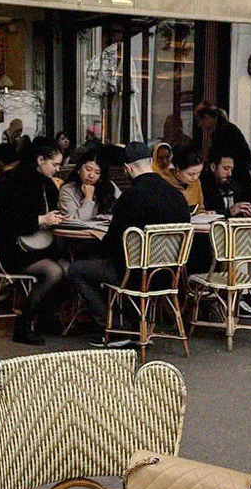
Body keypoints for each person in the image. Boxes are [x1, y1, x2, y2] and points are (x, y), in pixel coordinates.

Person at [67, 140, 191, 344]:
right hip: (168, 275)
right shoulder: (177, 196)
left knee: (76, 270)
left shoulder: (130, 197)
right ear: (151, 162)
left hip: (133, 275)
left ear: (127, 169)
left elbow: (111, 245)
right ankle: (135, 326)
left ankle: (112, 327)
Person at [0, 136, 68, 346]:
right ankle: (23, 325)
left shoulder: (46, 183)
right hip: (13, 248)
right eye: (54, 164)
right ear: (40, 159)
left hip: (36, 246)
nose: (57, 170)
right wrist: (42, 220)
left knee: (68, 267)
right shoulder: (15, 181)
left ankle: (46, 316)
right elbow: (9, 222)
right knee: (54, 272)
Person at [192, 103, 251, 194]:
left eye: (200, 121)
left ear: (208, 117)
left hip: (237, 179)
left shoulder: (224, 132)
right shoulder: (225, 130)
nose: (200, 125)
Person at [58, 149, 119, 220]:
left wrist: (105, 217)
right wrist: (88, 198)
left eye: (97, 173)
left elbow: (122, 212)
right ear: (79, 169)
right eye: (88, 169)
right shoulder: (67, 190)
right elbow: (75, 220)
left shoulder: (109, 186)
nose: (91, 175)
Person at [200, 150, 251, 217]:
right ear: (213, 167)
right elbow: (205, 214)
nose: (229, 174)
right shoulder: (203, 188)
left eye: (231, 169)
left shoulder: (235, 187)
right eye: (226, 168)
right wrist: (229, 212)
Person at [158, 142, 205, 214]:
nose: (195, 178)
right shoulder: (163, 182)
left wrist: (204, 214)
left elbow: (200, 208)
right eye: (190, 174)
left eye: (199, 173)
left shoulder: (196, 183)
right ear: (177, 169)